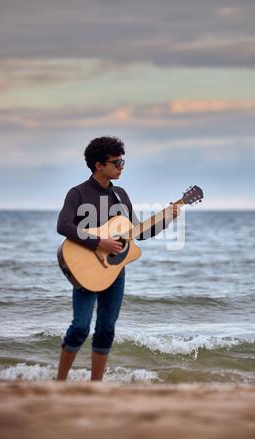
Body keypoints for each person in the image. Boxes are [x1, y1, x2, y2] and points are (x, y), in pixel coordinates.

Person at [56, 136, 180, 381]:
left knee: (106, 329)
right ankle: (60, 382)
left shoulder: (121, 195)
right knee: (80, 327)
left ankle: (96, 385)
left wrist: (167, 218)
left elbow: (137, 233)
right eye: (116, 162)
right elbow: (63, 226)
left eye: (123, 162)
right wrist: (99, 242)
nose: (121, 167)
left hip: (114, 271)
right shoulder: (78, 193)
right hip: (86, 268)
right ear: (98, 165)